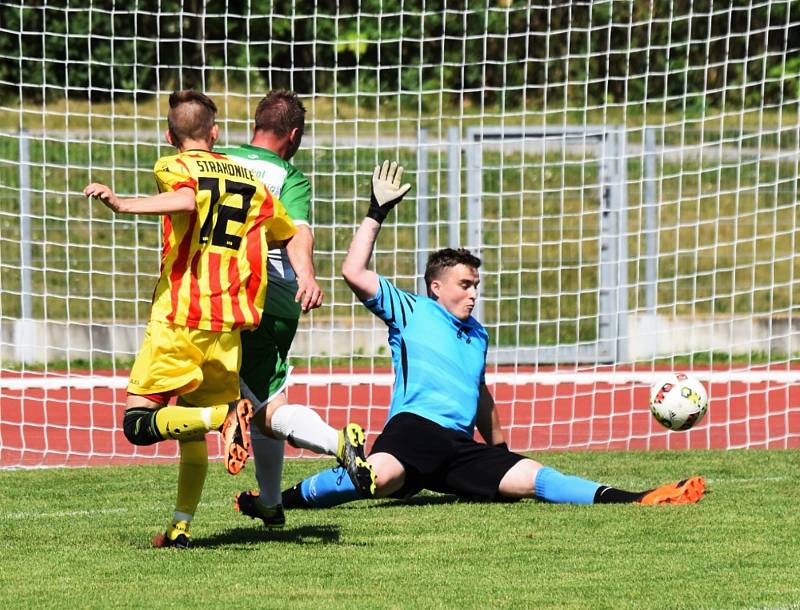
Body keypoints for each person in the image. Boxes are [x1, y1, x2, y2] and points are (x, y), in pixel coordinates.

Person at [281, 160, 706, 509]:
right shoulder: (412, 310)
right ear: (436, 287)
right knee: (378, 478)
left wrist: (500, 451)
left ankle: (639, 498)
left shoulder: (477, 334)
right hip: (414, 431)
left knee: (534, 478)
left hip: (459, 447)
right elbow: (353, 272)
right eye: (465, 285)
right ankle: (281, 501)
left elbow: (480, 394)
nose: (473, 294)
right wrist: (377, 212)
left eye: (476, 286)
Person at [84, 90, 297, 548]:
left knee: (139, 424)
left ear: (170, 134)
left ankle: (224, 416)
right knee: (190, 427)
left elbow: (186, 201)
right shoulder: (250, 179)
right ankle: (180, 528)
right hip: (228, 327)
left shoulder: (173, 166)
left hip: (181, 316)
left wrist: (124, 204)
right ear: (215, 133)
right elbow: (285, 231)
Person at [214, 90, 376, 529]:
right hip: (280, 295)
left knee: (251, 406)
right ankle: (270, 501)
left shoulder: (215, 159)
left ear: (255, 124)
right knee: (266, 398)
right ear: (295, 134)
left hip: (226, 292)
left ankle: (333, 440)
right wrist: (305, 276)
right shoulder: (289, 175)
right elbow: (297, 234)